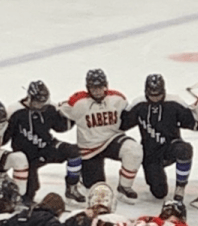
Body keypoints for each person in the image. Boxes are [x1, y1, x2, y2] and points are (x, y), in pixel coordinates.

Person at [59, 69, 142, 203]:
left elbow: (128, 117)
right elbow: (58, 111)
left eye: (100, 87)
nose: (97, 91)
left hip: (112, 139)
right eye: (93, 88)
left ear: (106, 85)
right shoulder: (78, 103)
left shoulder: (118, 99)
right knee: (97, 189)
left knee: (134, 150)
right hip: (89, 148)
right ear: (88, 88)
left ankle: (124, 186)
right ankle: (76, 183)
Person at [3, 80, 84, 204]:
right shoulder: (15, 111)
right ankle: (25, 198)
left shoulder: (49, 107)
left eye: (43, 102)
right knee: (30, 191)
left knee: (74, 153)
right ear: (29, 97)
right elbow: (4, 137)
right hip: (26, 156)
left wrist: (73, 115)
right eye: (38, 102)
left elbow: (60, 127)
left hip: (47, 147)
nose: (41, 105)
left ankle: (72, 187)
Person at [120, 74, 197, 201]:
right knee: (159, 193)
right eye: (152, 95)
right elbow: (121, 124)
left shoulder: (174, 102)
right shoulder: (139, 104)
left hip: (170, 147)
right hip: (150, 153)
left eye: (158, 95)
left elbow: (193, 123)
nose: (155, 98)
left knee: (185, 149)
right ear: (146, 92)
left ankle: (180, 187)